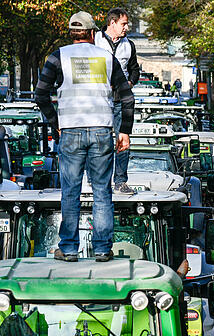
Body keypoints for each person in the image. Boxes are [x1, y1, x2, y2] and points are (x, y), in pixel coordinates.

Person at [35, 11, 134, 262]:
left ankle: (68, 248)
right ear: (92, 34)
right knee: (102, 191)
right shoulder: (107, 57)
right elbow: (127, 96)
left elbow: (41, 94)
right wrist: (125, 131)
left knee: (70, 190)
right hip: (101, 130)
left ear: (71, 33)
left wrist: (56, 122)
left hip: (70, 131)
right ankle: (102, 248)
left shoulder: (58, 57)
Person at [95, 7, 140, 195]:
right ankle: (97, 180)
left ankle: (120, 181)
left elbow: (135, 69)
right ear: (112, 23)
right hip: (98, 100)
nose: (126, 27)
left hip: (120, 100)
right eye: (123, 24)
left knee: (123, 140)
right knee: (99, 141)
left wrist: (128, 83)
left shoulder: (128, 45)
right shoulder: (95, 40)